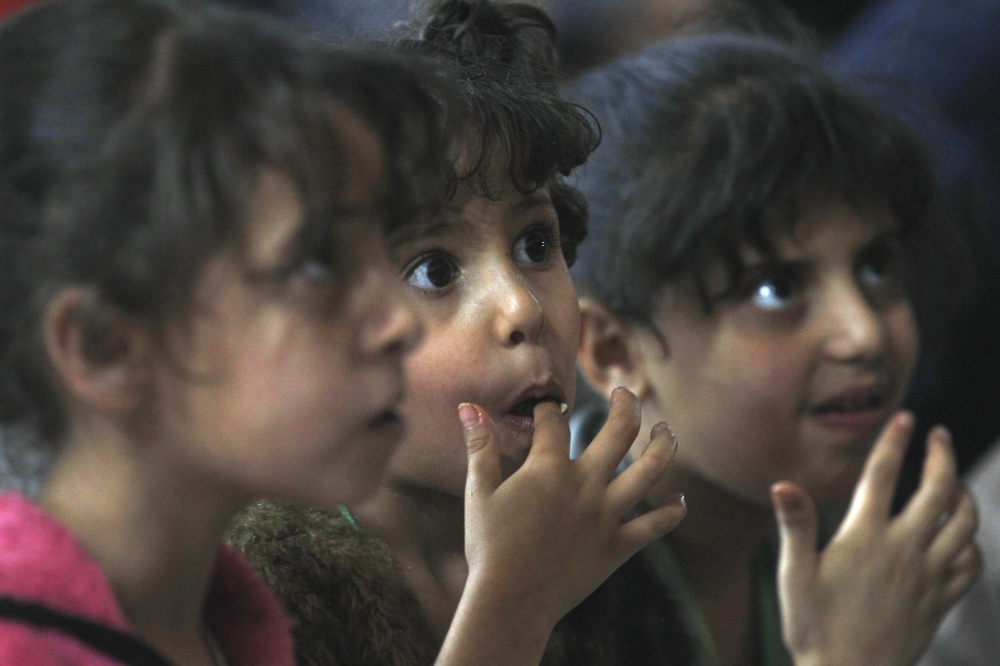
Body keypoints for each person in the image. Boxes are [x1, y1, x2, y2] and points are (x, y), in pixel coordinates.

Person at [0, 1, 681, 665]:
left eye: (537, 243)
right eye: (319, 265)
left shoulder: (220, 623)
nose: (388, 319)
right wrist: (513, 616)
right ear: (107, 345)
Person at [228, 2, 695, 665]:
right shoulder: (250, 592)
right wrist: (515, 608)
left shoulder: (600, 545)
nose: (521, 308)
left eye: (537, 243)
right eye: (434, 269)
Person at [567, 33, 982, 666]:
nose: (864, 333)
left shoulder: (843, 549)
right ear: (613, 349)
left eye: (876, 266)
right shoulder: (538, 600)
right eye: (775, 288)